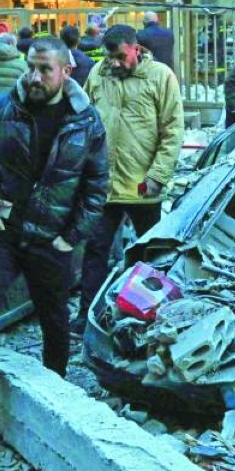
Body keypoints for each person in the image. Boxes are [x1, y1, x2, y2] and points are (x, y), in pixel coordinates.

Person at [0, 37, 108, 444]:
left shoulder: (86, 120)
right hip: (1, 232)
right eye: (30, 67)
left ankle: (55, 395)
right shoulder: (1, 108)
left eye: (44, 69)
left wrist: (71, 237)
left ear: (67, 72)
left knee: (55, 319)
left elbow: (97, 185)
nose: (34, 76)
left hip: (52, 238)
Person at [77, 25, 183, 332]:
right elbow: (84, 120)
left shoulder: (160, 76)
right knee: (96, 251)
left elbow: (172, 130)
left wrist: (158, 175)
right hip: (104, 185)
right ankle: (86, 315)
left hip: (143, 186)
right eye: (110, 58)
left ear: (136, 49)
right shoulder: (98, 74)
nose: (115, 64)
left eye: (121, 57)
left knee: (152, 255)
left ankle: (155, 315)